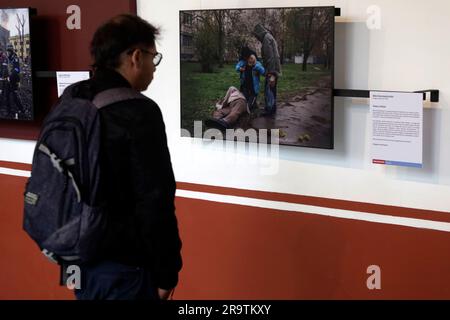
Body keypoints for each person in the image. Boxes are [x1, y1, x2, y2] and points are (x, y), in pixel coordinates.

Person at [72, 14, 182, 300]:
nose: (154, 69)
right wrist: (167, 273)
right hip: (126, 272)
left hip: (79, 262)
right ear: (135, 57)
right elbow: (155, 200)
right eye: (153, 58)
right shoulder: (139, 112)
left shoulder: (73, 97)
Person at [253, 24, 281, 116]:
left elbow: (270, 57)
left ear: (259, 33)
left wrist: (271, 74)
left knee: (269, 89)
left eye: (256, 36)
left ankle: (269, 111)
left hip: (271, 70)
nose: (257, 38)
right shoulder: (268, 37)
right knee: (271, 90)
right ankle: (271, 108)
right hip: (272, 69)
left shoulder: (266, 39)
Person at [5, 44, 24, 116]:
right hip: (8, 80)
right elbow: (7, 68)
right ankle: (8, 110)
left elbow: (17, 69)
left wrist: (11, 76)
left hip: (14, 80)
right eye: (7, 51)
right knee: (6, 96)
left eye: (9, 51)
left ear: (11, 51)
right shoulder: (8, 58)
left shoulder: (15, 58)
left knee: (15, 96)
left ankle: (22, 110)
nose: (8, 52)